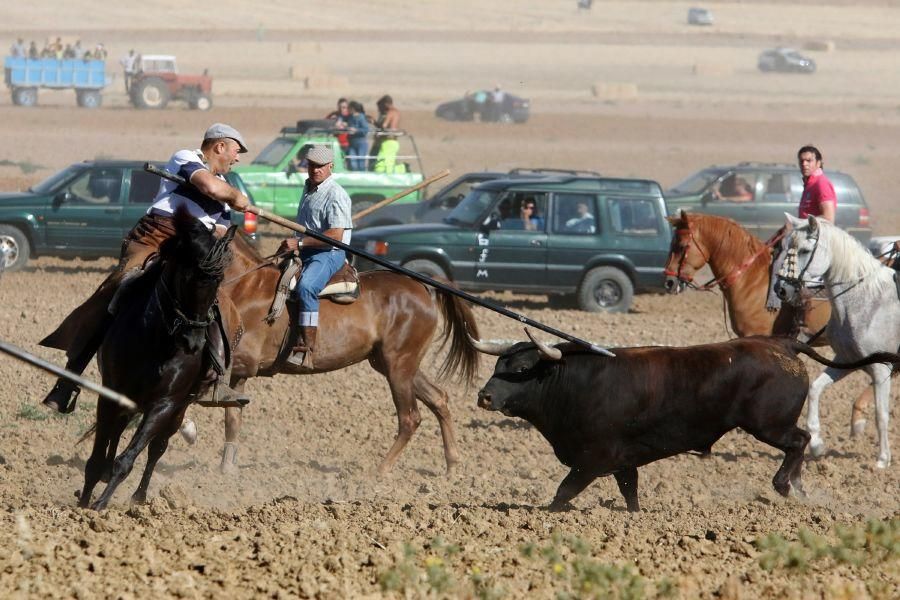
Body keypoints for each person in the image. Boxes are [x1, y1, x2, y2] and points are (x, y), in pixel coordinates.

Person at [39, 124, 251, 414]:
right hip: (155, 239)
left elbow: (222, 232)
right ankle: (68, 381)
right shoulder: (186, 158)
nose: (237, 159)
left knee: (217, 305)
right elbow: (209, 187)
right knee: (119, 286)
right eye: (236, 151)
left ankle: (214, 378)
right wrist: (236, 197)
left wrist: (215, 223)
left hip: (191, 250)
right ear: (220, 146)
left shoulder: (222, 187)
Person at [279, 145, 352, 369]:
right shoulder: (309, 187)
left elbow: (335, 236)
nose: (315, 170)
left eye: (320, 166)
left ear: (331, 166)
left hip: (329, 253)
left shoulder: (336, 194)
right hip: (306, 249)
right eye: (311, 165)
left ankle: (306, 347)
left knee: (307, 287)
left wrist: (300, 243)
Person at [797, 145, 836, 222]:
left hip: (819, 234)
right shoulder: (809, 184)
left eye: (809, 160)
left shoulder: (821, 184)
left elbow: (828, 218)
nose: (804, 164)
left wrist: (802, 223)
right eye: (801, 161)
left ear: (818, 163)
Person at [346, 100, 370, 171]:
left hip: (361, 143)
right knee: (353, 163)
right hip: (351, 143)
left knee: (360, 163)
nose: (347, 110)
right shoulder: (350, 117)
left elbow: (366, 130)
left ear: (353, 108)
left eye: (349, 108)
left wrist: (356, 130)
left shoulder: (361, 117)